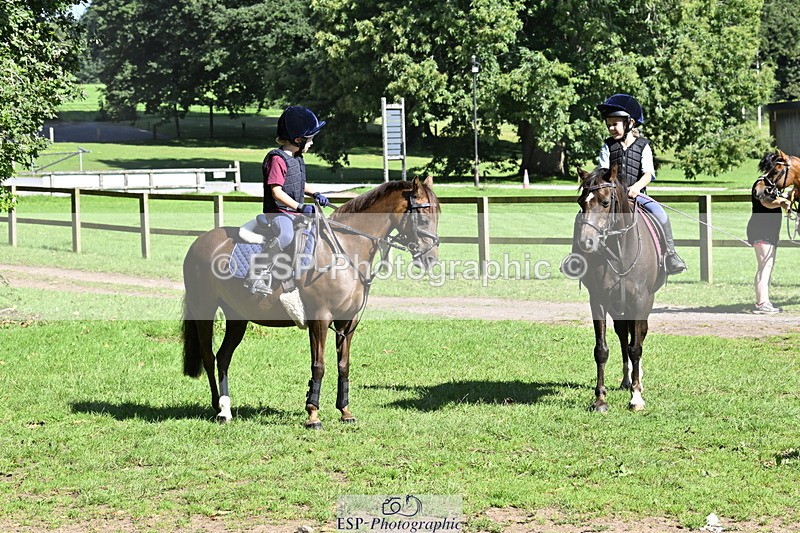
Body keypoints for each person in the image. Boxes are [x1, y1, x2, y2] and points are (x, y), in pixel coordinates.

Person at [597, 93, 687, 275]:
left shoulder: (643, 146)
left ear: (629, 123)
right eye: (609, 125)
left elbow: (648, 174)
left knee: (660, 214)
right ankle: (577, 255)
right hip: (612, 197)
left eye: (615, 124)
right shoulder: (607, 147)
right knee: (583, 215)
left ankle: (670, 254)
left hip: (637, 196)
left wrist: (636, 187)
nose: (611, 128)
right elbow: (603, 173)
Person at [248, 105, 330, 297]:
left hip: (294, 212)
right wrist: (300, 207)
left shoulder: (296, 158)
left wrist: (316, 193)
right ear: (298, 139)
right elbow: (276, 192)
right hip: (279, 213)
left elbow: (299, 183)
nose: (312, 143)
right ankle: (258, 273)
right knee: (285, 236)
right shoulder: (277, 159)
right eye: (310, 139)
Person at [747, 171, 791, 314]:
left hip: (768, 231)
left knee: (766, 266)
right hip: (762, 231)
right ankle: (762, 303)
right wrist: (782, 202)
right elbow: (766, 202)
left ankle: (763, 301)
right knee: (765, 266)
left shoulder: (771, 186)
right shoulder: (762, 184)